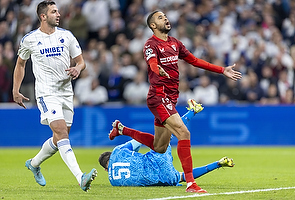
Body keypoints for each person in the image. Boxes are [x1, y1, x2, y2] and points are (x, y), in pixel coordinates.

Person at [109, 10, 242, 193]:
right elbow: (152, 62)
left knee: (159, 147)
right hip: (158, 96)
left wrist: (222, 70)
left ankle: (122, 129)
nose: (165, 18)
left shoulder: (175, 43)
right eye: (160, 18)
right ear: (153, 26)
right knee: (183, 133)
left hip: (170, 97)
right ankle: (190, 184)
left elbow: (194, 61)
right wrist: (158, 70)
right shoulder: (150, 44)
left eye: (165, 16)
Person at [12, 1, 97, 192]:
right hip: (46, 92)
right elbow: (20, 64)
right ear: (43, 16)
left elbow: (81, 62)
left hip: (66, 92)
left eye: (57, 11)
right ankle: (80, 177)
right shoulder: (30, 39)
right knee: (61, 131)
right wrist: (15, 90)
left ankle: (33, 164)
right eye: (53, 12)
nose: (58, 14)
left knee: (59, 138)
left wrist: (77, 68)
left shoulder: (66, 36)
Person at [101, 100, 234, 186]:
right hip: (154, 160)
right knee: (165, 136)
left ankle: (218, 164)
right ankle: (193, 111)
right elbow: (137, 142)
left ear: (106, 170)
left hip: (160, 179)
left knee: (181, 176)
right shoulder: (118, 150)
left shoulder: (113, 181)